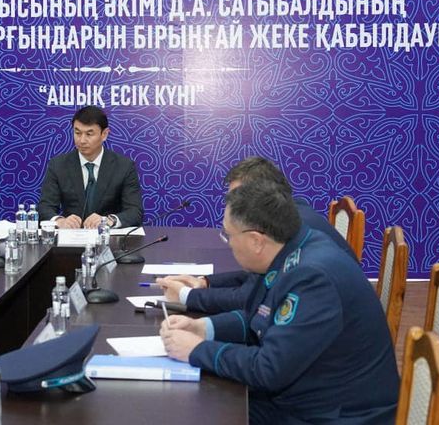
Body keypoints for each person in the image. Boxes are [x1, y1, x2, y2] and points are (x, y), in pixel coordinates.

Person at [159, 180, 399, 424]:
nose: (228, 242)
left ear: (256, 240)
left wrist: (197, 350)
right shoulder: (294, 248)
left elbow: (269, 369)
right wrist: (203, 327)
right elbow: (260, 317)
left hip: (338, 415)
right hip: (309, 395)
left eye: (228, 235)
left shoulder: (313, 278)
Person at [156, 156, 357, 314]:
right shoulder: (290, 212)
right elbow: (257, 277)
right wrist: (206, 282)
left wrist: (187, 296)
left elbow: (249, 298)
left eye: (239, 198)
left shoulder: (291, 227)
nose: (234, 206)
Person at [37, 105, 143, 229]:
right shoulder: (58, 165)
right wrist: (60, 221)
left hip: (108, 238)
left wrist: (109, 220)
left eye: (89, 134)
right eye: (77, 133)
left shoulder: (124, 166)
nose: (82, 140)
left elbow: (135, 211)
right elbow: (45, 207)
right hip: (71, 237)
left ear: (104, 134)